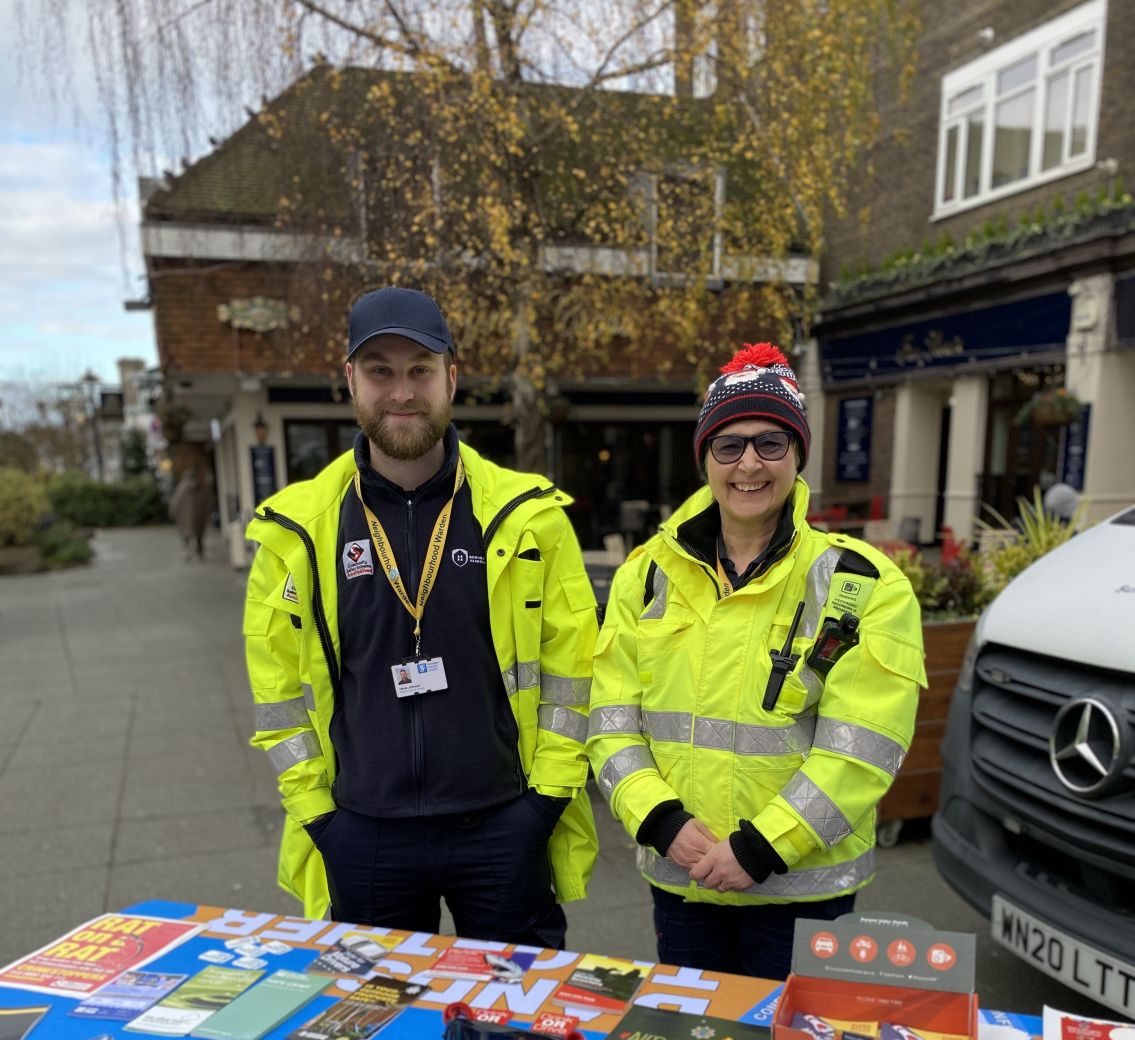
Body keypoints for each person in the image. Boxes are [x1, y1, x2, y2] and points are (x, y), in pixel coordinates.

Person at [243, 287, 599, 943]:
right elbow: (278, 695)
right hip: (363, 832)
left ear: (451, 378)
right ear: (349, 380)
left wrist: (544, 803)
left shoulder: (529, 517)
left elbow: (573, 672)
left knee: (511, 1030)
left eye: (419, 369)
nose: (400, 391)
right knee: (375, 1031)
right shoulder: (295, 530)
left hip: (501, 825)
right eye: (379, 369)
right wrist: (321, 820)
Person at [587, 342, 926, 981]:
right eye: (729, 445)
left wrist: (763, 846)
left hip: (803, 894)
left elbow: (863, 748)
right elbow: (609, 722)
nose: (749, 463)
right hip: (684, 879)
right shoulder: (645, 577)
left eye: (771, 443)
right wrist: (660, 819)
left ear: (798, 457)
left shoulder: (863, 584)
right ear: (705, 459)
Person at [169, 465, 210, 560]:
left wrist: (173, 514)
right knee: (199, 535)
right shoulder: (199, 487)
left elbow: (175, 503)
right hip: (199, 516)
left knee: (187, 535)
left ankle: (187, 551)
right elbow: (205, 503)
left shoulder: (181, 489)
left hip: (185, 518)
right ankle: (200, 552)